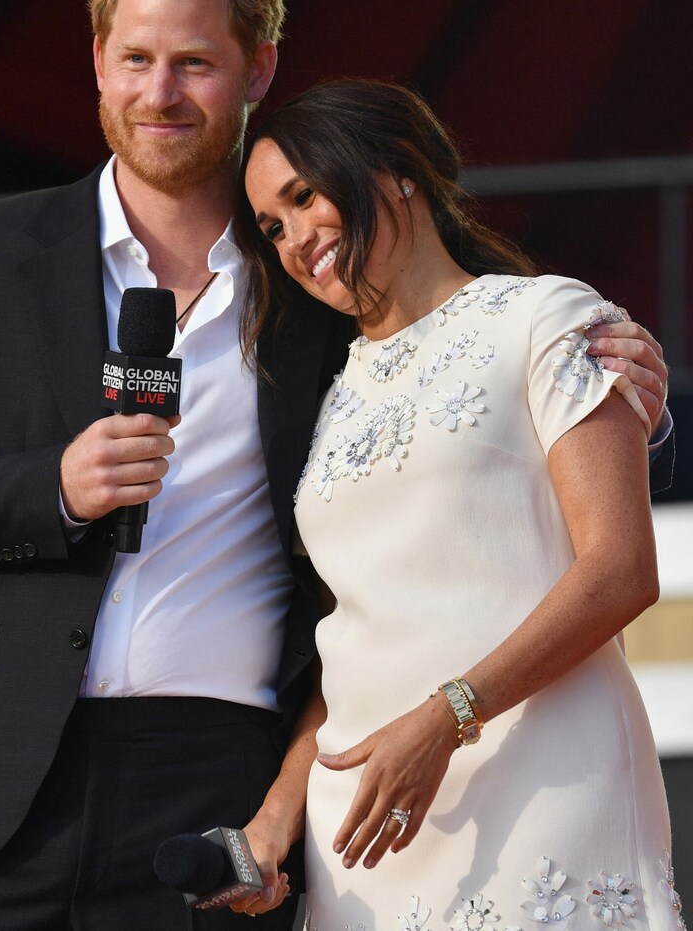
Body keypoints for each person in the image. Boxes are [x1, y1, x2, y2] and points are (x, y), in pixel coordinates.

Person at [0, 0, 671, 930]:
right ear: (95, 61)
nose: (158, 92)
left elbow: (461, 385)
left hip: (216, 781)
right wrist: (49, 487)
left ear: (257, 69)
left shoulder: (319, 286)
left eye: (194, 63)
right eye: (134, 57)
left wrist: (616, 391)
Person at [230, 78, 685, 930]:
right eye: (271, 226)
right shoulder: (326, 397)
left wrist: (446, 717)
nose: (293, 239)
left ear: (398, 169)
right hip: (367, 835)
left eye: (303, 195)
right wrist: (278, 815)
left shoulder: (545, 318)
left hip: (541, 785)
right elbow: (352, 643)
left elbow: (622, 570)